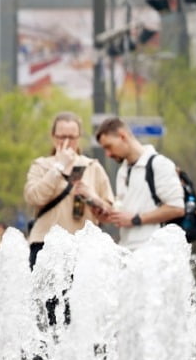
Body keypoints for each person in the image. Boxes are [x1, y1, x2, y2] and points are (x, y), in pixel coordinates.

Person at [23, 112, 115, 267]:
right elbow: (34, 197)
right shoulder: (41, 166)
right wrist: (58, 167)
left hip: (83, 247)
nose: (66, 142)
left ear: (79, 138)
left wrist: (92, 197)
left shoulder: (92, 167)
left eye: (72, 137)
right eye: (61, 137)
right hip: (45, 245)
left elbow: (110, 213)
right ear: (53, 136)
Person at [94, 117, 185, 250]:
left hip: (155, 252)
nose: (107, 154)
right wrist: (108, 216)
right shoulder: (122, 171)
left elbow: (177, 208)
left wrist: (136, 219)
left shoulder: (159, 164)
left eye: (109, 146)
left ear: (122, 136)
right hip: (129, 252)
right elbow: (128, 213)